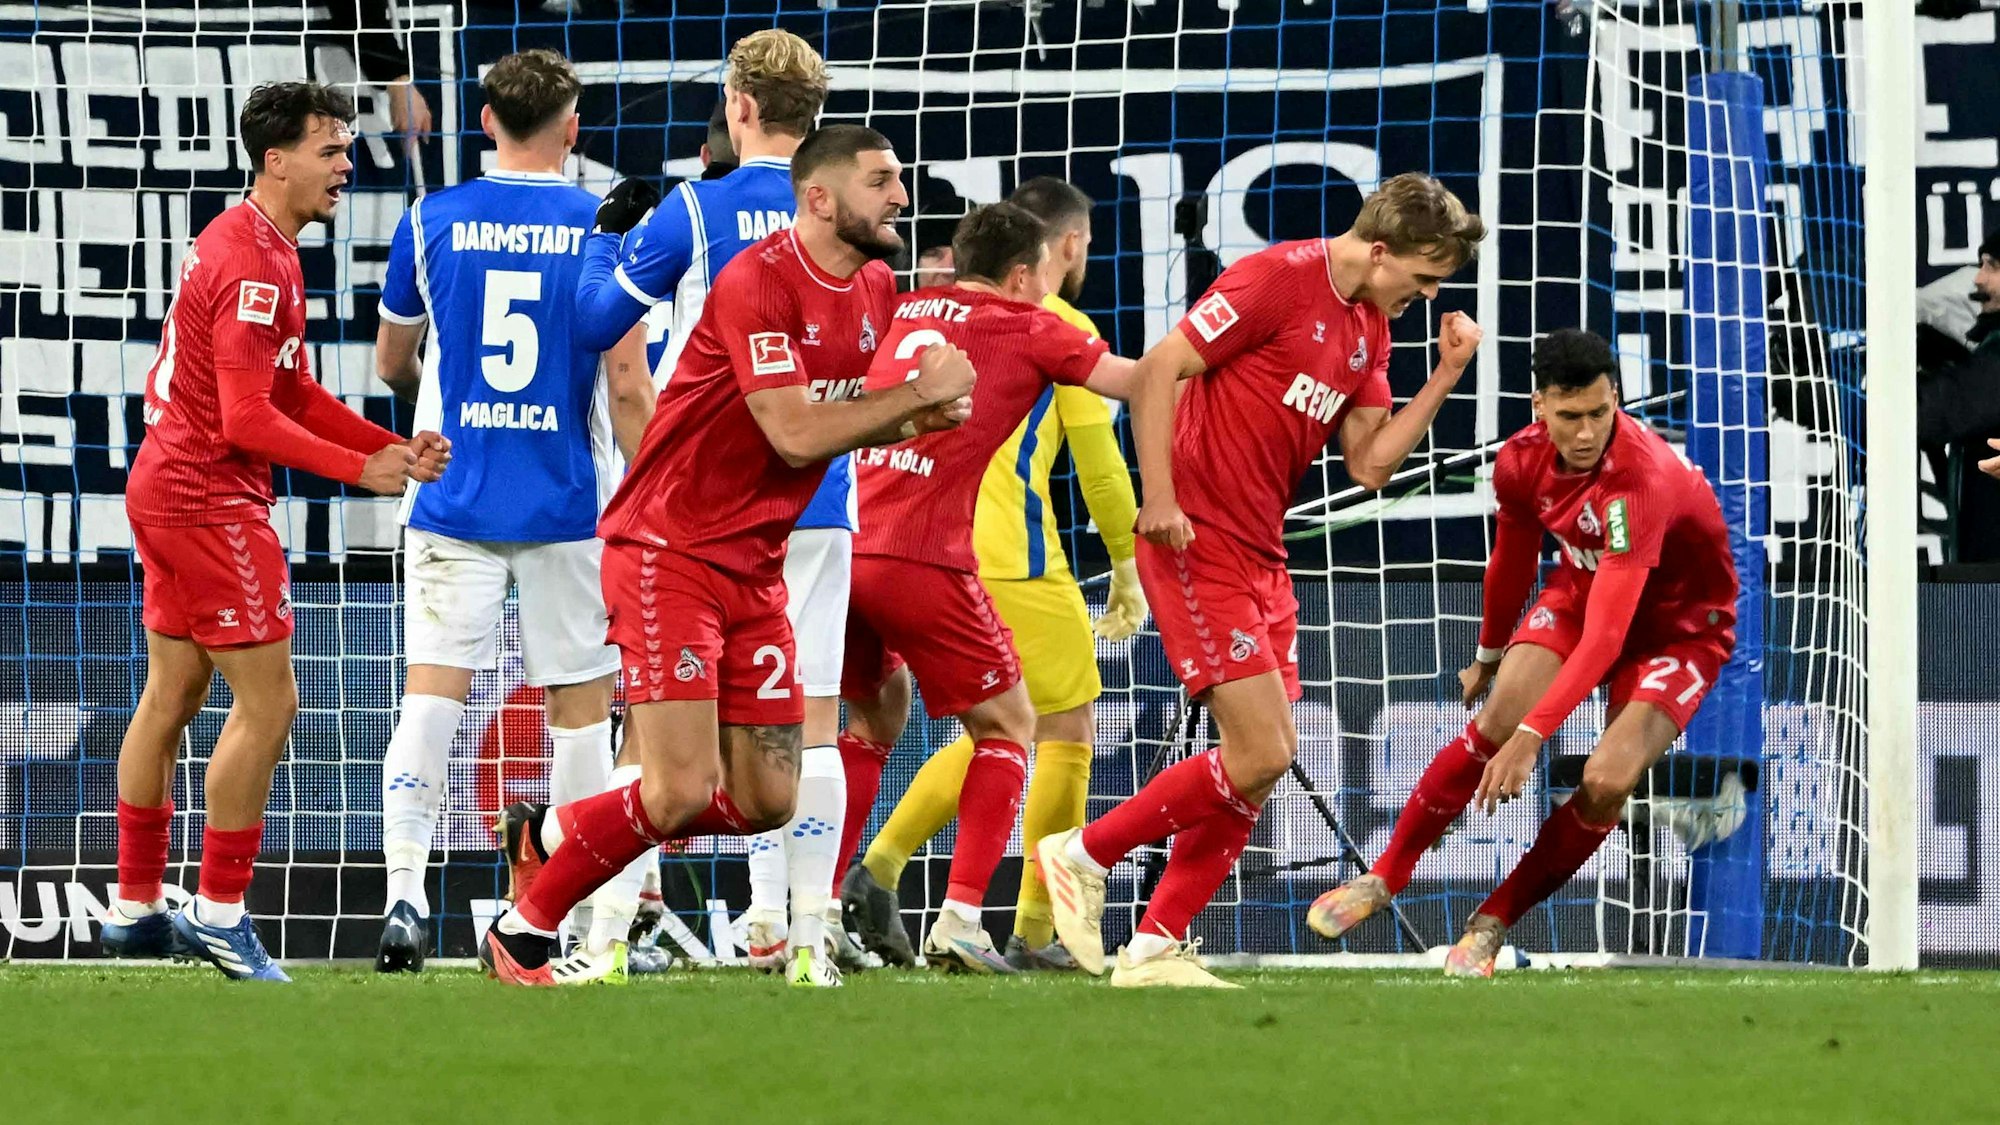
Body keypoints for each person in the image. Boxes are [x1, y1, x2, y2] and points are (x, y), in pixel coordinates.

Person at [478, 124, 976, 988]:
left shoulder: (873, 285)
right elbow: (791, 432)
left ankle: (547, 834)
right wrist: (912, 395)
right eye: (881, 181)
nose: (901, 196)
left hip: (755, 560)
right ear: (820, 197)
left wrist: (918, 416)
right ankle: (526, 928)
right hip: (668, 548)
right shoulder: (759, 279)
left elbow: (836, 412)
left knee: (764, 800)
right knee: (673, 789)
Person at [1035, 172, 1486, 988]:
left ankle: (1153, 947)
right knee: (1263, 747)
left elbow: (1372, 462)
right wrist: (1159, 499)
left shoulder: (1372, 329)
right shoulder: (1277, 277)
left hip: (1261, 557)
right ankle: (1081, 852)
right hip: (1197, 540)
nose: (1427, 294)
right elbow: (1161, 367)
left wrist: (1447, 375)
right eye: (1422, 277)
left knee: (1264, 760)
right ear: (1379, 250)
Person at [101, 81, 449, 981]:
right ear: (274, 159)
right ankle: (218, 911)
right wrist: (358, 469)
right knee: (272, 702)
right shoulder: (259, 263)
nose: (345, 166)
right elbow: (248, 419)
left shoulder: (251, 240)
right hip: (210, 498)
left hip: (164, 485)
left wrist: (387, 445)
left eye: (346, 149)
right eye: (329, 150)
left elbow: (288, 391)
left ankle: (135, 907)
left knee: (172, 692)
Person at [568, 29, 874, 983]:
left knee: (663, 735)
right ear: (816, 120)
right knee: (809, 725)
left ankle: (608, 933)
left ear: (739, 107)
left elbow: (591, 324)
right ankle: (801, 939)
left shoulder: (696, 210)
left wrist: (604, 239)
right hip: (821, 495)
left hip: (706, 515)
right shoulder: (853, 227)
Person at [1308, 329, 1738, 976]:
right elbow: (1511, 560)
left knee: (1604, 780)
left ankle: (1493, 920)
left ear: (1616, 397)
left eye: (1600, 412)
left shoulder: (1639, 482)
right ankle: (1383, 877)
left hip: (1678, 629)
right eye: (1570, 416)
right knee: (1497, 713)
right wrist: (1488, 649)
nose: (1587, 431)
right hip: (1586, 590)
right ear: (1539, 405)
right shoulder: (1519, 461)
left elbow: (1608, 638)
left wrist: (1536, 736)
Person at [368, 49, 654, 976]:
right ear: (571, 130)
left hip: (453, 492)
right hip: (567, 502)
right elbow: (624, 384)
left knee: (432, 697)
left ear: (485, 120)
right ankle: (575, 921)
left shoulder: (428, 219)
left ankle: (404, 894)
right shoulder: (603, 227)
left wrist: (434, 396)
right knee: (580, 714)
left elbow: (389, 363)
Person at [840, 177, 1146, 972]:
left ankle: (822, 899)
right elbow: (1107, 459)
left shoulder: (906, 304)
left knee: (867, 725)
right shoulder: (1047, 323)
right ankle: (1010, 922)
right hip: (979, 552)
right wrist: (1127, 559)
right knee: (1044, 727)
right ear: (1033, 266)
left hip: (848, 539)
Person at [1918, 231, 2000, 561]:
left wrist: (1833, 398)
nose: (1978, 278)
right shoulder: (1987, 349)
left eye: (1991, 267)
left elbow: (1932, 414)